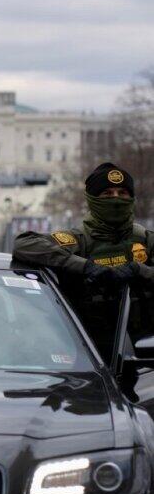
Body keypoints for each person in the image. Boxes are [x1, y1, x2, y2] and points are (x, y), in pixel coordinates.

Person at [13, 162, 154, 395]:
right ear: (92, 199)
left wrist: (140, 271)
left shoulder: (146, 241)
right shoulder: (76, 241)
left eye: (122, 193)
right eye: (107, 194)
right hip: (85, 361)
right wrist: (85, 267)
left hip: (142, 363)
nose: (116, 199)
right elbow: (24, 244)